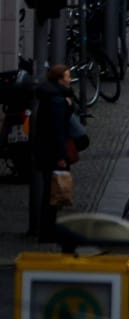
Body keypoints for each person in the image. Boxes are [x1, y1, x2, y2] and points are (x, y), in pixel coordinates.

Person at [28, 64, 75, 242]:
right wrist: (62, 156)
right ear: (59, 80)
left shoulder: (53, 97)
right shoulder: (57, 101)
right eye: (67, 77)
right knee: (52, 193)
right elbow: (57, 130)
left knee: (51, 191)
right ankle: (47, 231)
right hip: (53, 153)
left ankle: (47, 230)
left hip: (47, 151)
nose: (70, 80)